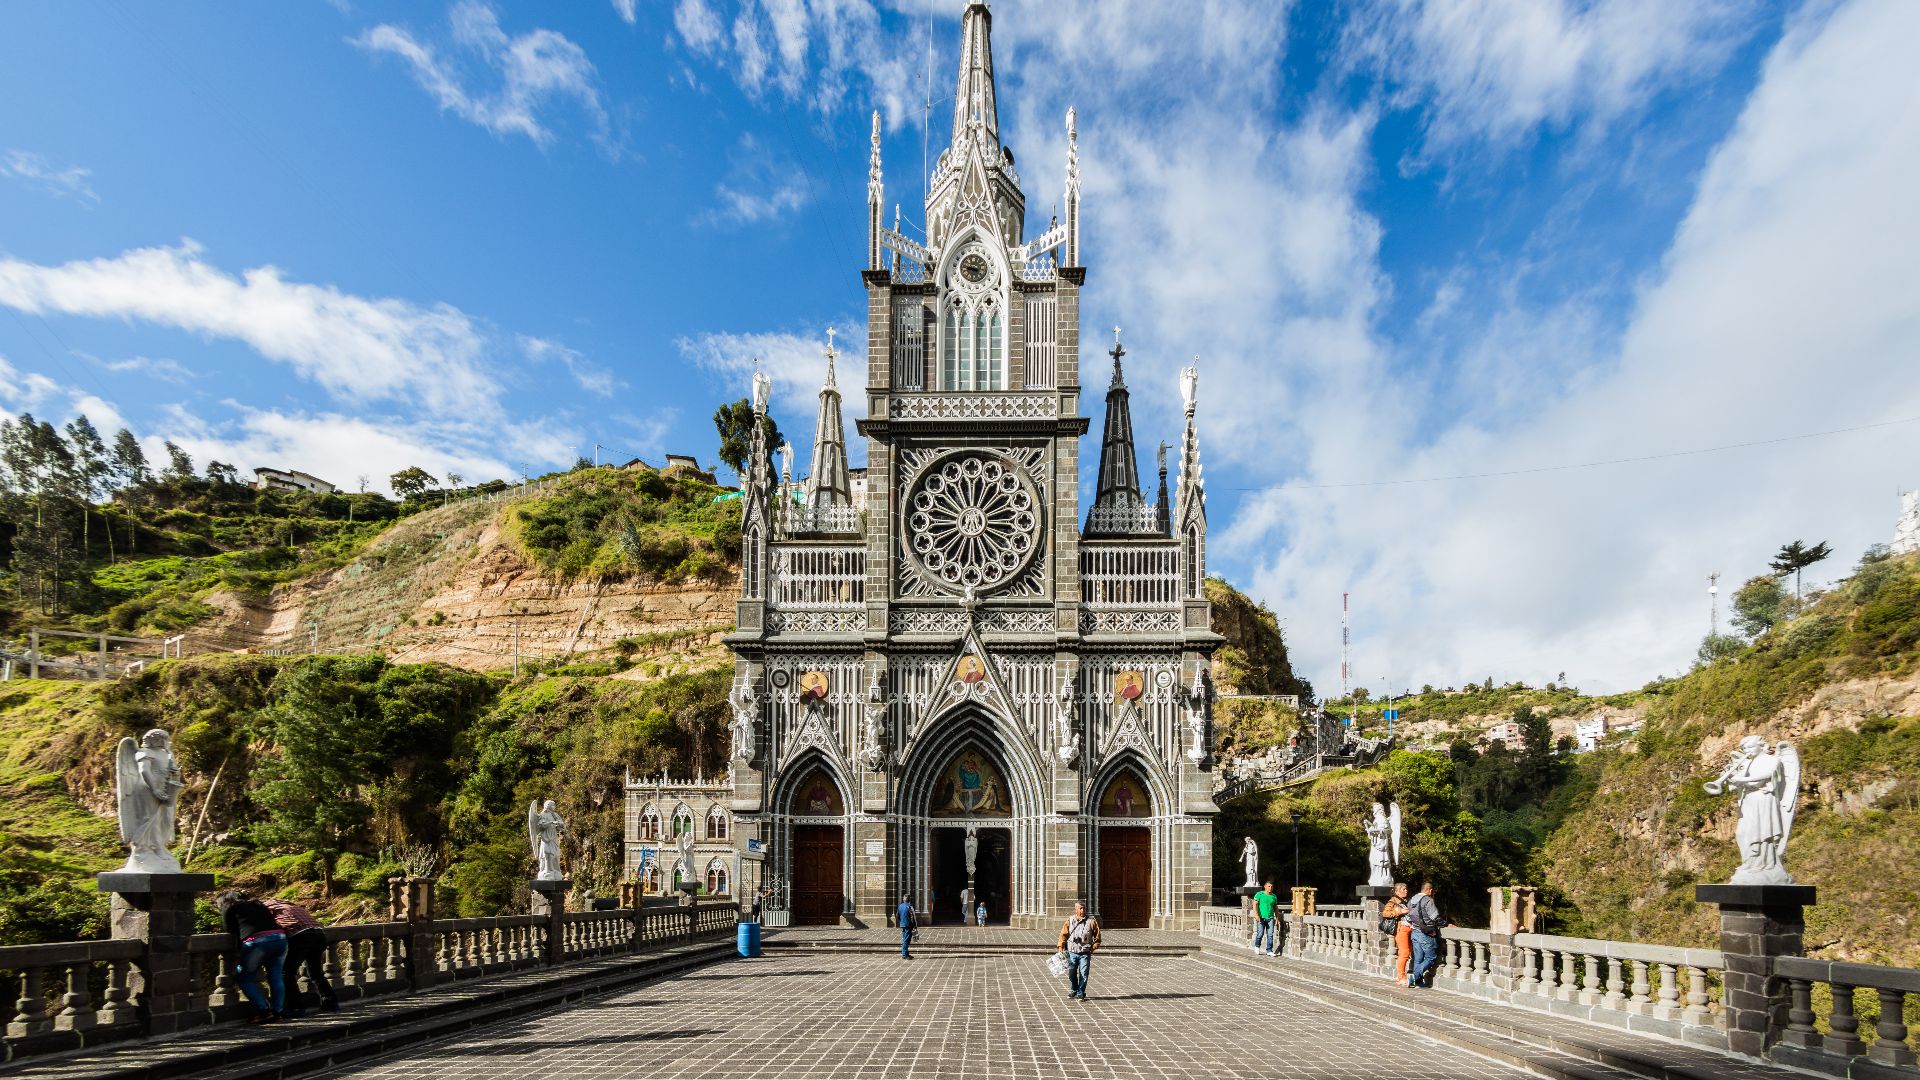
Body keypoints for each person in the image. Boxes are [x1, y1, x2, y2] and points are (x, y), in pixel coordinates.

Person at [218, 890, 288, 1022]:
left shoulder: (231, 908)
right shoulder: (258, 904)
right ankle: (277, 1011)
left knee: (244, 978)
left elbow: (229, 929)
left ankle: (264, 1011)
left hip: (258, 942)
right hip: (280, 938)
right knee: (276, 977)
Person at [262, 896, 337, 1014]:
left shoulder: (268, 907)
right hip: (319, 934)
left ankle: (296, 1007)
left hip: (299, 935)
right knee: (316, 972)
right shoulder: (292, 905)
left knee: (286, 972)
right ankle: (330, 1002)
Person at [1056, 900, 1101, 1001]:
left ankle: (1081, 992)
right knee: (1072, 973)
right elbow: (1063, 934)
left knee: (1084, 973)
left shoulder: (1091, 921)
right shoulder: (1070, 920)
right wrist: (1060, 946)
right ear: (1076, 910)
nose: (1083, 910)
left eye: (1084, 908)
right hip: (1072, 952)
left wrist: (1092, 948)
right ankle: (1074, 989)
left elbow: (1097, 938)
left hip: (1085, 953)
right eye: (1080, 908)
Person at [1406, 880, 1446, 989]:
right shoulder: (1428, 900)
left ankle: (1417, 981)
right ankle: (1413, 977)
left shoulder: (1412, 900)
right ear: (1430, 890)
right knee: (1431, 957)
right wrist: (1445, 924)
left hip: (1415, 932)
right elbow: (1435, 917)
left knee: (1418, 958)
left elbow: (1408, 917)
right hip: (1426, 933)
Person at [1382, 882, 1413, 986]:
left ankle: (1408, 976)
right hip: (1401, 930)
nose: (1406, 891)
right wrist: (1399, 911)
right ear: (1397, 892)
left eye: (1406, 889)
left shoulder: (1406, 901)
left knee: (1410, 953)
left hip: (1410, 929)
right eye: (1403, 889)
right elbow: (1385, 913)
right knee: (1404, 953)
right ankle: (1400, 977)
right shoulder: (1393, 901)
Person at [1251, 881, 1281, 956]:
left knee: (1270, 934)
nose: (1270, 888)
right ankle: (1257, 946)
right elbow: (1254, 905)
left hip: (1270, 918)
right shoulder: (1259, 894)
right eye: (1269, 886)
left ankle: (1269, 950)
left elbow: (1275, 908)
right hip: (1261, 918)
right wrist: (1256, 915)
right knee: (1260, 934)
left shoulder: (1273, 896)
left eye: (1271, 886)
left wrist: (1277, 918)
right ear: (1265, 886)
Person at [897, 893, 916, 960]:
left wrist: (901, 922)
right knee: (906, 940)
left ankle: (906, 953)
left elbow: (898, 916)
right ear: (909, 899)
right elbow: (913, 917)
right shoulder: (910, 906)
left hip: (903, 924)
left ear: (903, 899)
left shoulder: (900, 906)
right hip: (908, 925)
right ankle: (904, 955)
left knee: (905, 938)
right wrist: (914, 926)